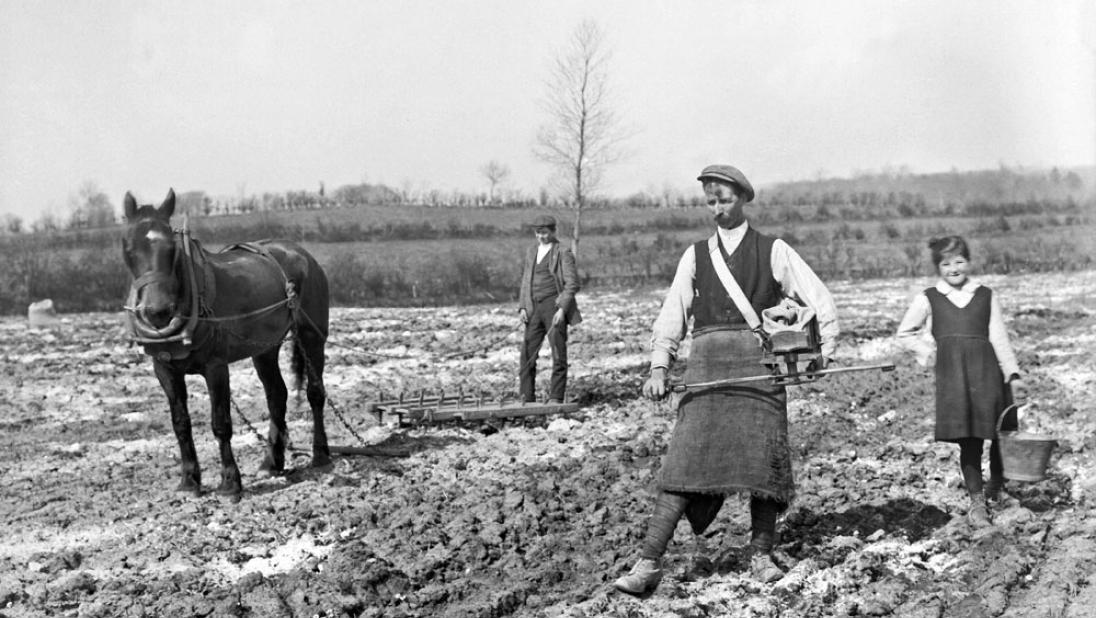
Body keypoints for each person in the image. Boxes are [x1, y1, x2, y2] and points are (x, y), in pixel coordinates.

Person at [613, 165, 839, 595]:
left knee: (764, 463)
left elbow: (818, 298)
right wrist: (660, 365)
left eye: (725, 200)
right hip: (707, 367)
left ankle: (761, 554)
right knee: (685, 462)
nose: (718, 209)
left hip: (760, 366)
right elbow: (673, 312)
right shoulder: (695, 254)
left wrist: (823, 353)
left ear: (744, 199)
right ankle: (648, 562)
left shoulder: (773, 249)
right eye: (711, 201)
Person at [895, 235, 1027, 527]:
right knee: (970, 439)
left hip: (989, 372)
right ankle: (977, 501)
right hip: (954, 376)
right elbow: (904, 334)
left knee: (999, 433)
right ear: (937, 267)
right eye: (945, 263)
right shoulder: (928, 297)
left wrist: (1013, 375)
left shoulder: (986, 295)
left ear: (968, 262)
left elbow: (1000, 338)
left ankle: (997, 486)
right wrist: (929, 352)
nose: (953, 268)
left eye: (959, 261)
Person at [517, 214, 581, 403]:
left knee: (558, 355)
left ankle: (556, 398)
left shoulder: (563, 252)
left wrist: (562, 309)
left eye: (544, 233)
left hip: (553, 307)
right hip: (533, 308)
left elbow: (572, 284)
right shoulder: (531, 252)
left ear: (553, 232)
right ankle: (526, 397)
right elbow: (525, 280)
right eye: (538, 233)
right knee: (527, 355)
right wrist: (522, 306)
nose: (541, 236)